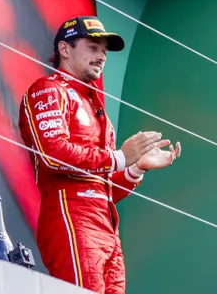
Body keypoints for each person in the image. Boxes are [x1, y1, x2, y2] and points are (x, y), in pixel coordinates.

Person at [18, 15, 181, 294]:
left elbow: (104, 190)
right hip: (72, 220)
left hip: (107, 228)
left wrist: (136, 168)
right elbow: (53, 154)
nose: (101, 56)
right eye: (93, 48)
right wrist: (119, 158)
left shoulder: (95, 105)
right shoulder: (48, 89)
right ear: (64, 49)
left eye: (104, 51)